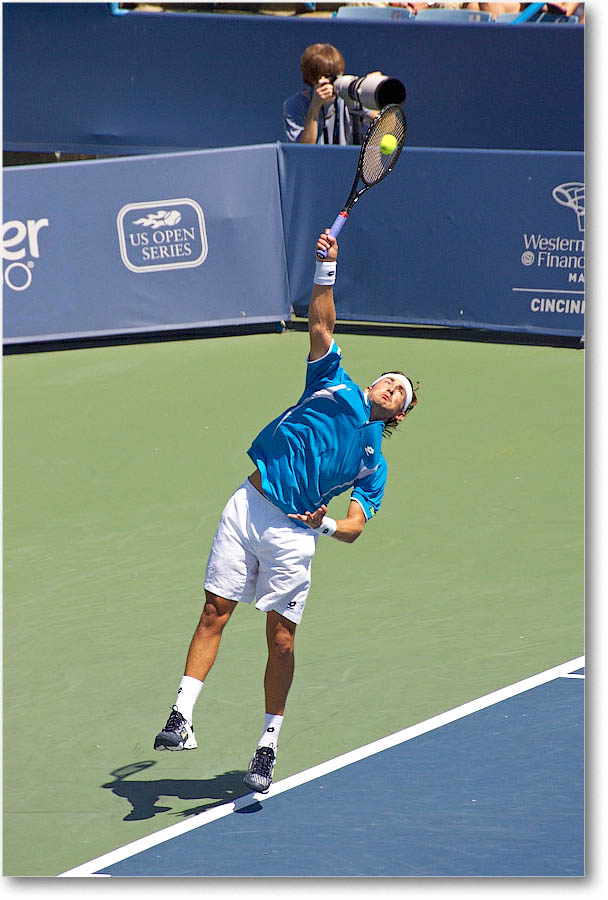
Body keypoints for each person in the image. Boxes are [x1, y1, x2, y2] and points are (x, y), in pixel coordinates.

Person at [153, 229, 419, 794]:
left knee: (281, 640)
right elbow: (321, 323)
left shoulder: (374, 463)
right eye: (390, 378)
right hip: (247, 506)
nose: (391, 386)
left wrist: (321, 523)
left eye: (400, 393)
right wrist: (327, 269)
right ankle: (181, 715)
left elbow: (354, 528)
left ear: (396, 416)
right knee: (214, 611)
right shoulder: (331, 381)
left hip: (295, 537)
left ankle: (267, 746)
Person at [283, 43, 377, 145]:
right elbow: (303, 151)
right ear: (313, 79)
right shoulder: (294, 105)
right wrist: (315, 106)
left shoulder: (349, 96)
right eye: (328, 77)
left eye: (336, 76)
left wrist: (370, 94)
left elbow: (388, 127)